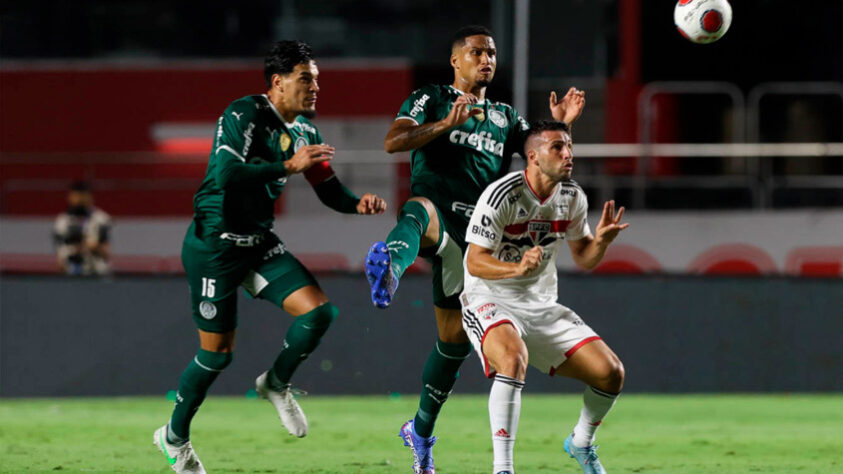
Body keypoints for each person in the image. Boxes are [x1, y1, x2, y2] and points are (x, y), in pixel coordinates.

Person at [153, 40, 387, 474]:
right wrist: (287, 167)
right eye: (305, 79)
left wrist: (356, 204)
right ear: (277, 83)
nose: (315, 87)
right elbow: (226, 174)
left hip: (258, 243)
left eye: (316, 79)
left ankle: (276, 383)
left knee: (319, 314)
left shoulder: (305, 133)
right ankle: (173, 437)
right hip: (215, 247)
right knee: (217, 355)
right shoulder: (244, 114)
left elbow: (327, 188)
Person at [363, 25, 585, 473]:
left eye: (492, 53)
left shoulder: (505, 116)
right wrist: (446, 124)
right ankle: (390, 266)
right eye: (477, 52)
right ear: (456, 61)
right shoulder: (432, 98)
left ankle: (420, 432)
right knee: (419, 210)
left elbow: (541, 154)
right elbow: (392, 141)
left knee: (452, 345)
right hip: (438, 217)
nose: (487, 59)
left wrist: (560, 124)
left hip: (478, 242)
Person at [460, 120, 628, 474]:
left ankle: (581, 443)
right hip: (489, 297)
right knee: (511, 357)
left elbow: (584, 258)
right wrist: (517, 269)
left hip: (540, 305)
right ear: (532, 157)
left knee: (610, 373)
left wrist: (601, 243)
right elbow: (475, 262)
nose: (568, 154)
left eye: (569, 146)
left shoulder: (572, 197)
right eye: (557, 147)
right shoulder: (501, 195)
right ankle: (502, 468)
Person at [53, 180, 112, 276]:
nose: (80, 199)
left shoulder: (101, 219)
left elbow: (106, 254)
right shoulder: (62, 222)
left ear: (90, 197)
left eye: (83, 195)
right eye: (76, 196)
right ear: (70, 197)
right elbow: (59, 257)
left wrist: (94, 247)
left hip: (97, 274)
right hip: (71, 275)